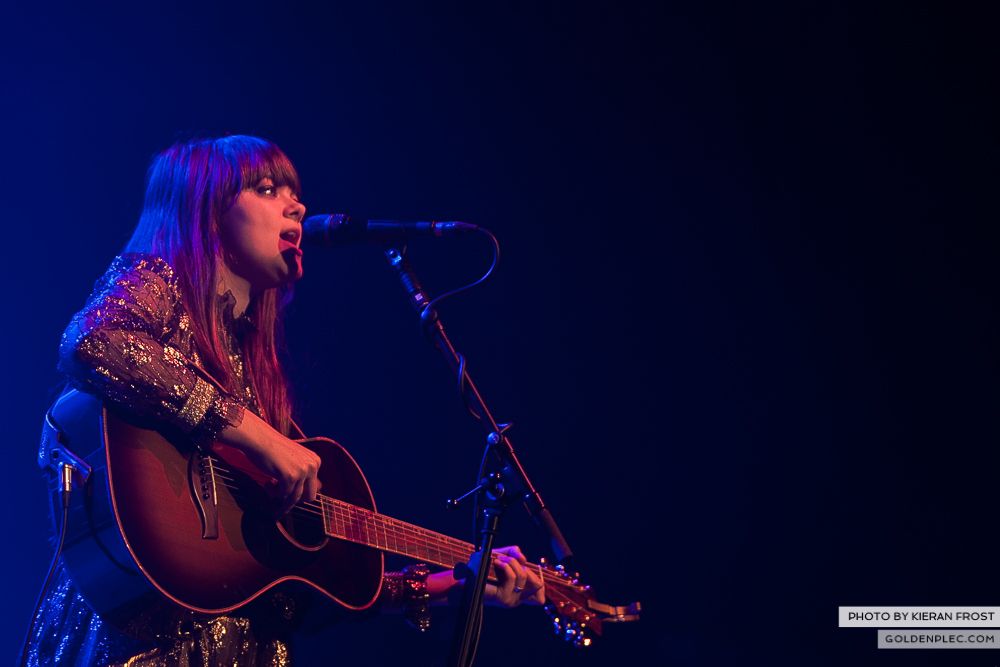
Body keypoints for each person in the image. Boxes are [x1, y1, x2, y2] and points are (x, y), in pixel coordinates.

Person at [25, 135, 544, 666]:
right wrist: (255, 434)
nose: (297, 205)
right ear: (205, 210)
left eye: (296, 194)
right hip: (141, 648)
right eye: (268, 189)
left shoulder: (258, 376)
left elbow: (298, 594)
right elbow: (95, 343)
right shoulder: (159, 279)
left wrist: (456, 581)